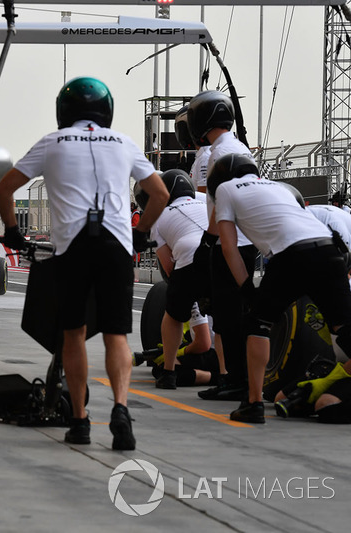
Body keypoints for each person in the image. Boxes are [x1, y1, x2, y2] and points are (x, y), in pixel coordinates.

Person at [0, 77, 169, 450]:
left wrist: (12, 231)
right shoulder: (124, 142)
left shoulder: (51, 142)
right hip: (117, 245)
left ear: (64, 111)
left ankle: (80, 421)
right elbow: (160, 193)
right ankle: (121, 409)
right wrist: (141, 233)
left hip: (72, 246)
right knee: (116, 334)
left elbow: (4, 188)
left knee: (73, 333)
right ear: (106, 110)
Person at [209, 153, 351, 423]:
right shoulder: (276, 187)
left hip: (290, 253)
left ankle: (252, 404)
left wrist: (247, 289)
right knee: (343, 329)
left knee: (257, 324)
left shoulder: (226, 189)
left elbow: (228, 247)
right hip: (328, 248)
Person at [187, 91, 258, 402]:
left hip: (228, 240)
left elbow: (218, 201)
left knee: (228, 316)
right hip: (244, 239)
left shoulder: (217, 153)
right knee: (233, 315)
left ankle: (235, 381)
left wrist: (208, 240)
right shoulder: (238, 146)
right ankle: (235, 379)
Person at [147, 169, 211, 389]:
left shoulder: (159, 216)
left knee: (173, 314)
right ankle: (227, 374)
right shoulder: (205, 201)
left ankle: (168, 373)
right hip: (224, 254)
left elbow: (169, 268)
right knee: (226, 316)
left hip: (190, 257)